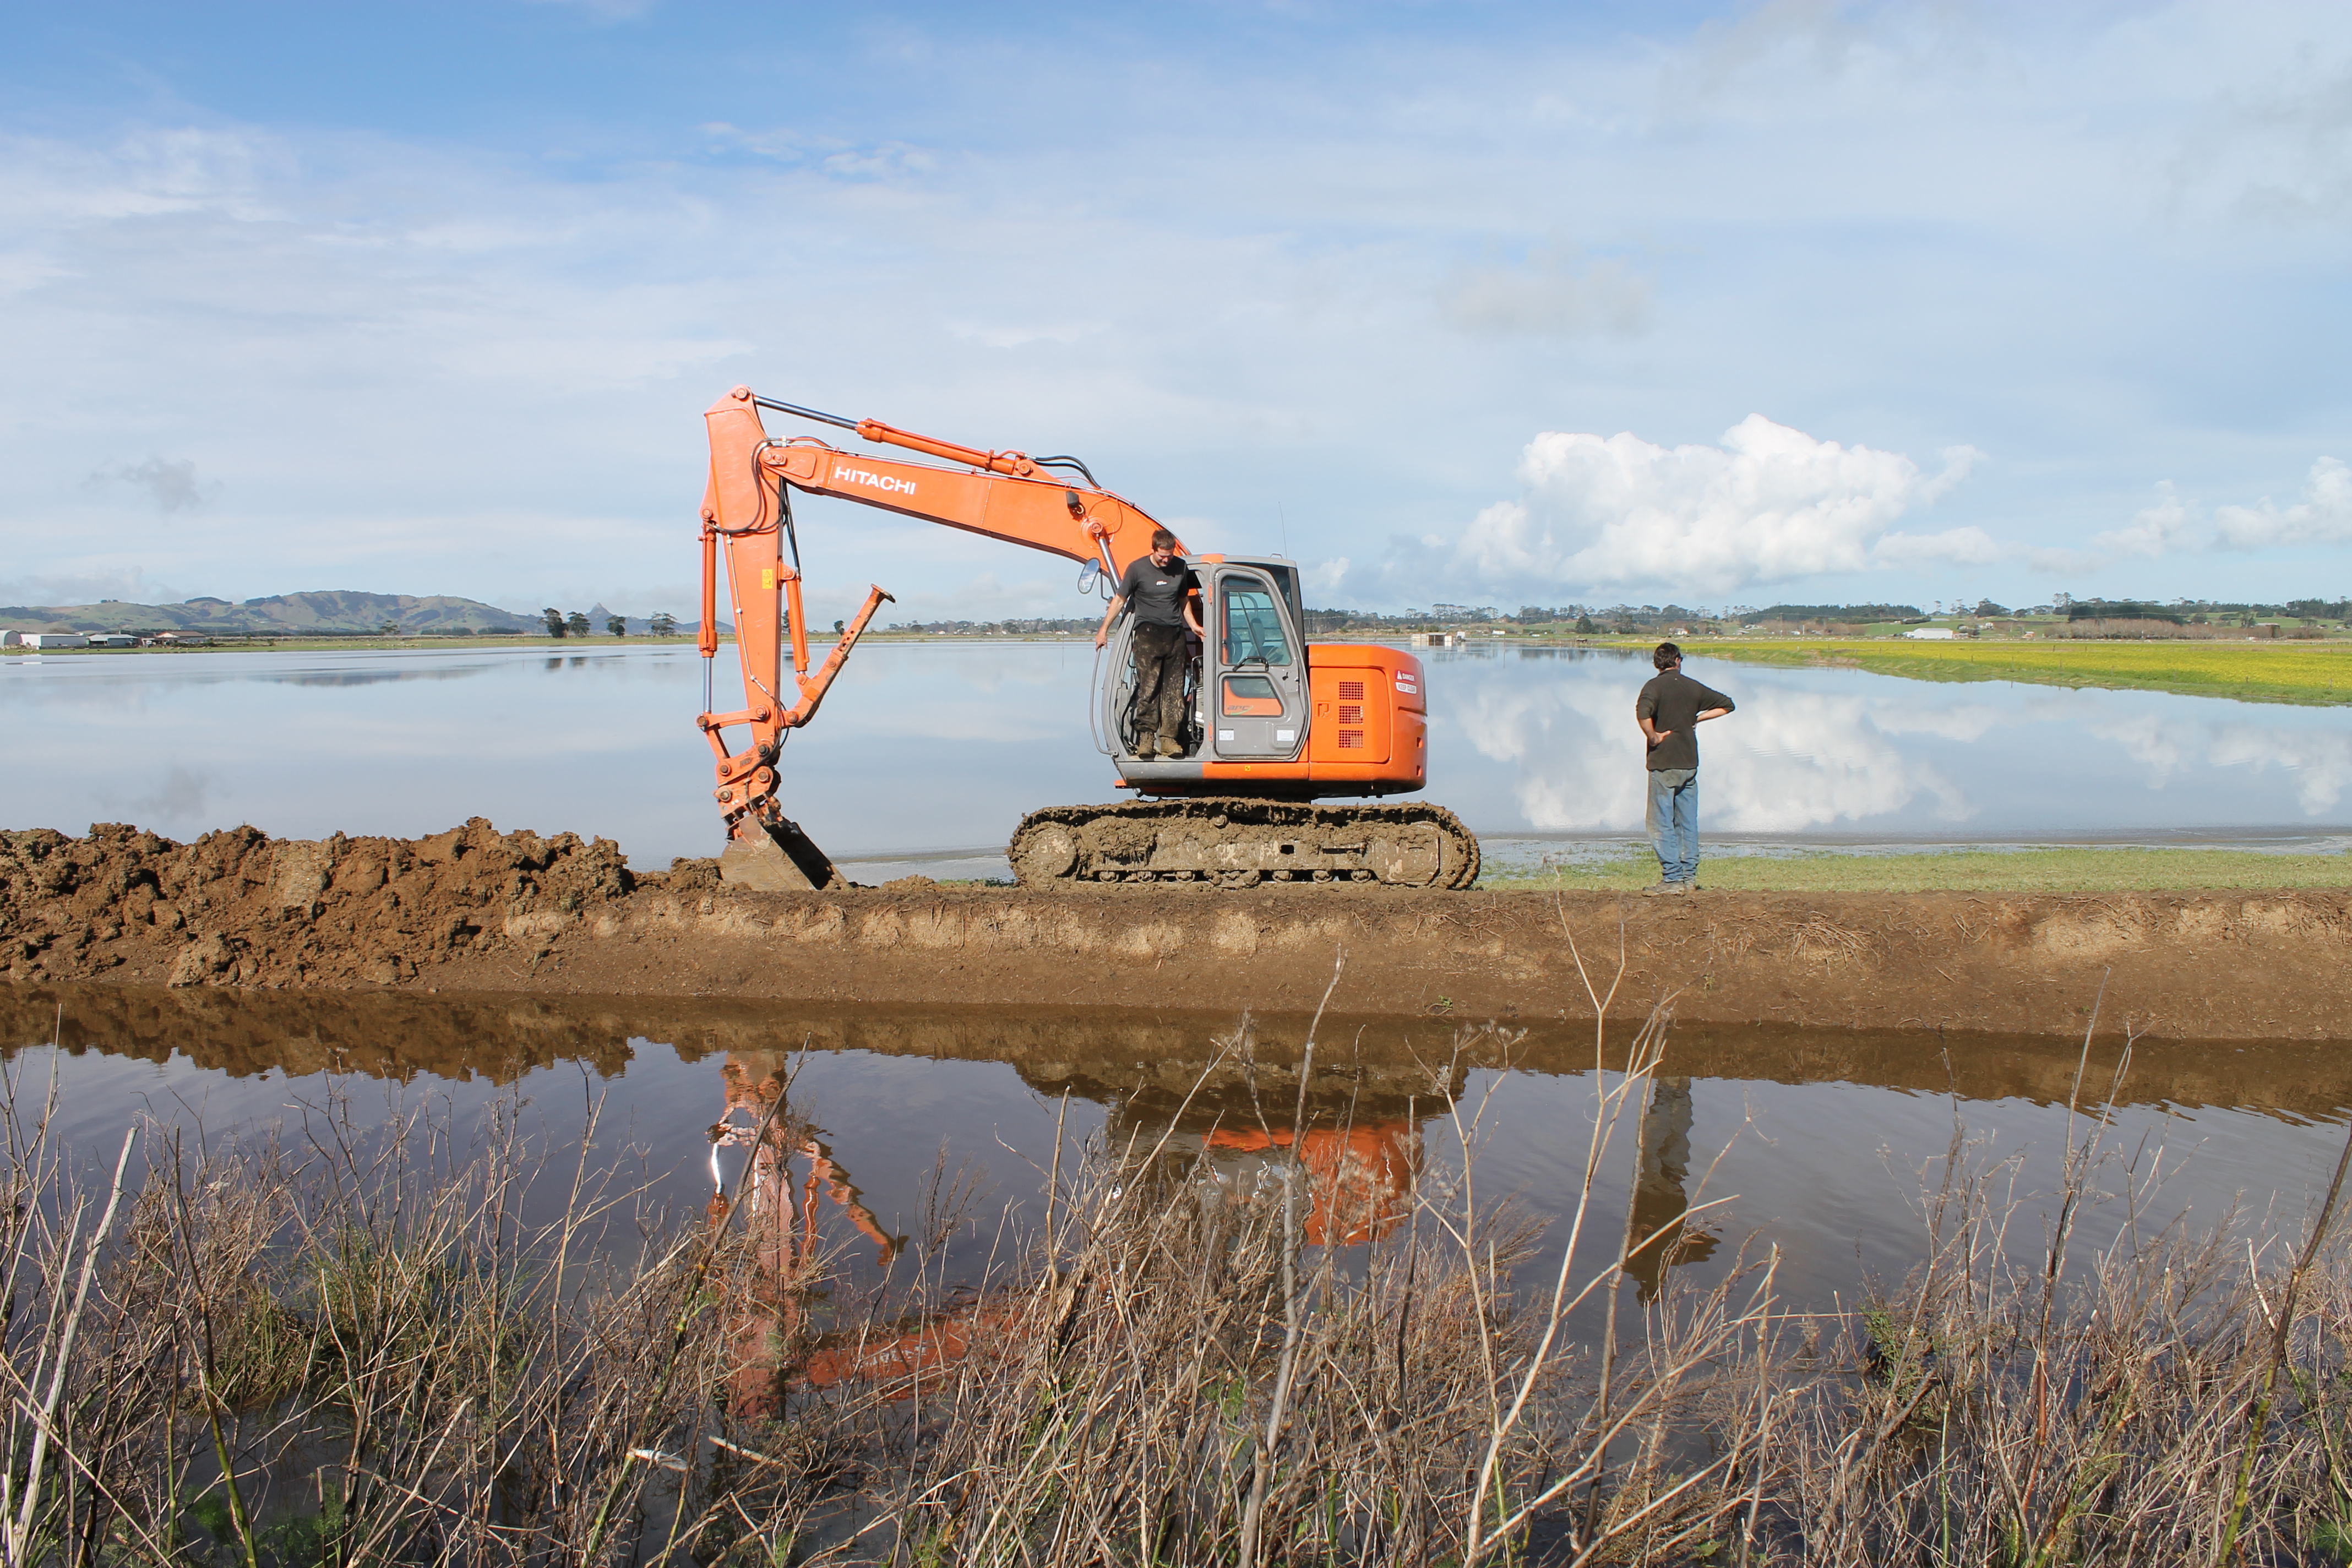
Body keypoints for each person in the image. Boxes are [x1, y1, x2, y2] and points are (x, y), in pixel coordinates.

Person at [1635, 642, 1734, 893]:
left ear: (1658, 663)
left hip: (1664, 764)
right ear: (1678, 661)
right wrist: (1697, 719)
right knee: (1688, 822)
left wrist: (1654, 737)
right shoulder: (1692, 686)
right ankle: (1688, 879)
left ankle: (1672, 879)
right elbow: (1727, 705)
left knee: (1659, 823)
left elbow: (1643, 713)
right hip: (1689, 764)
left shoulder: (1653, 687)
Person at [1095, 529, 1204, 758]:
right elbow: (1119, 601)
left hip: (1175, 634)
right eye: (1162, 556)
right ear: (1153, 549)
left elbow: (1183, 599)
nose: (1166, 560)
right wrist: (1103, 630)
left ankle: (1169, 740)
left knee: (1175, 689)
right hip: (1147, 635)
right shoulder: (1137, 569)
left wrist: (1193, 625)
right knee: (1149, 689)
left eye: (1170, 556)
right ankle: (1146, 738)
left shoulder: (1181, 567)